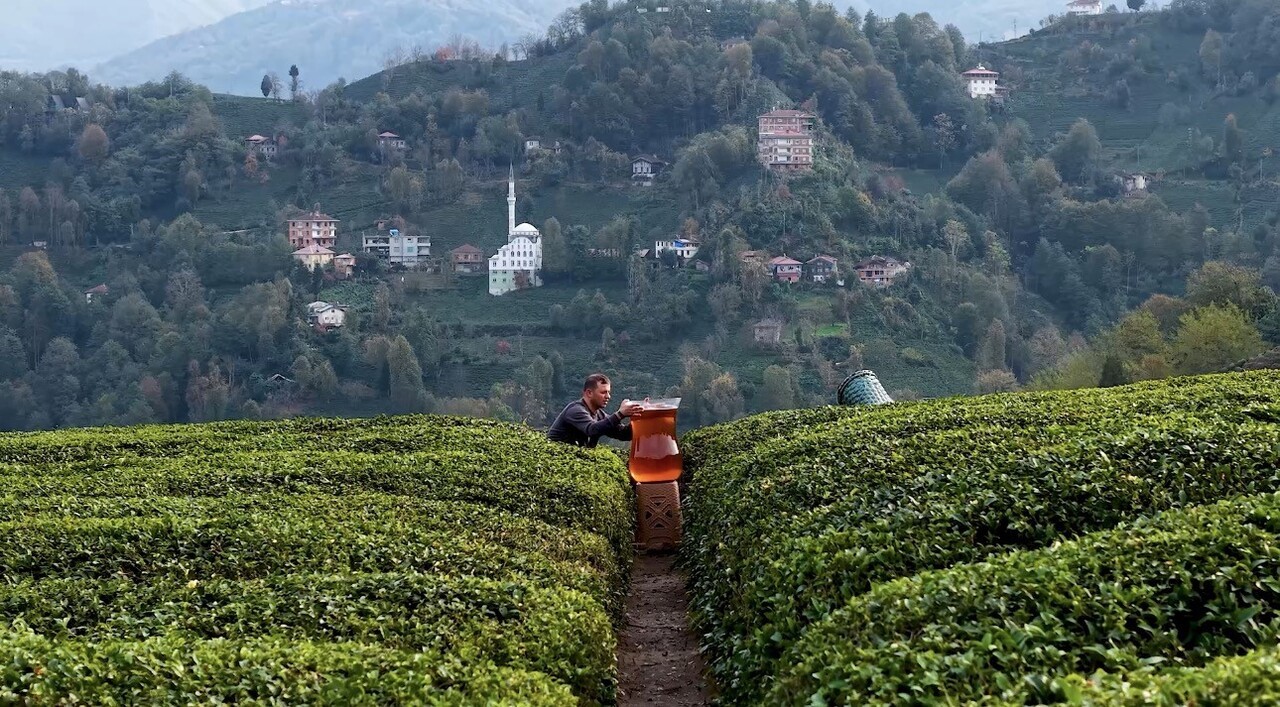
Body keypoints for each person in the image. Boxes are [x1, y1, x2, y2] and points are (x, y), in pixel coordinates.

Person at [547, 373, 644, 448]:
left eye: (608, 392)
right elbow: (592, 430)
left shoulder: (599, 414)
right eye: (603, 392)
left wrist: (642, 414)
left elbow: (624, 434)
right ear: (589, 393)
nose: (608, 397)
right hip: (555, 460)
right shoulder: (575, 410)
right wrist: (620, 414)